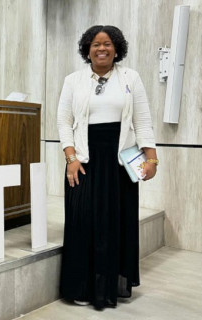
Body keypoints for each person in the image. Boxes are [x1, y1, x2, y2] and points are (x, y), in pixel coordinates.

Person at [57, 25, 158, 309]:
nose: (102, 48)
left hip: (121, 159)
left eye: (108, 44)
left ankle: (109, 287)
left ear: (117, 49)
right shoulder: (73, 80)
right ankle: (81, 288)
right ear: (87, 49)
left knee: (117, 223)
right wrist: (70, 158)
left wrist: (151, 158)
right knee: (82, 221)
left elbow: (143, 121)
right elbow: (64, 121)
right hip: (84, 161)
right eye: (96, 44)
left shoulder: (131, 78)